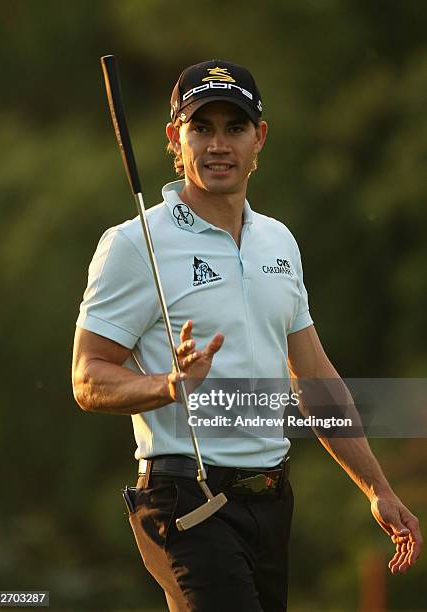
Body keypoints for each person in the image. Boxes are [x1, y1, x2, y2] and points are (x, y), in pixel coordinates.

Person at [72, 60, 422, 611]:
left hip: (270, 500)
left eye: (234, 127)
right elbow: (87, 377)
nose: (218, 144)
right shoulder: (134, 243)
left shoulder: (277, 241)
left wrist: (376, 487)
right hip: (185, 496)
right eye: (201, 127)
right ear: (174, 138)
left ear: (259, 137)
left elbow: (312, 375)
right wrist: (169, 384)